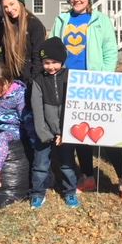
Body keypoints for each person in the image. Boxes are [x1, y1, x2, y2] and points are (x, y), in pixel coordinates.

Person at [50, 0, 122, 200]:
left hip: (95, 83)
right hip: (69, 82)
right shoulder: (62, 19)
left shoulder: (100, 20)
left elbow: (110, 51)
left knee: (109, 132)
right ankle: (88, 176)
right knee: (80, 130)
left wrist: (104, 77)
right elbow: (54, 47)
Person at [30, 37, 80, 210]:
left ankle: (70, 192)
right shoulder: (38, 81)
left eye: (55, 62)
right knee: (40, 166)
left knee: (67, 164)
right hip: (44, 133)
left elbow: (74, 107)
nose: (50, 66)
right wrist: (44, 134)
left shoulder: (71, 78)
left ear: (62, 61)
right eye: (46, 62)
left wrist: (66, 133)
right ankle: (37, 193)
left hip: (67, 132)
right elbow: (37, 109)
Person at [0, 0, 46, 83]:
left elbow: (37, 56)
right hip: (11, 79)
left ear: (20, 3)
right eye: (5, 7)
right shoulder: (7, 26)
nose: (9, 9)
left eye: (12, 4)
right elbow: (3, 55)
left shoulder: (34, 24)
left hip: (29, 78)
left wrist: (33, 80)